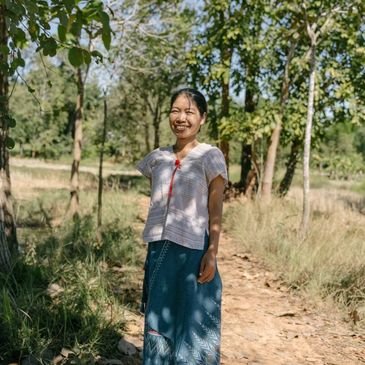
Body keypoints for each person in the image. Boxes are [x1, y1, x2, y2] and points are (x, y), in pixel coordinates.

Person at [136, 87, 227, 364]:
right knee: (159, 317)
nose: (181, 117)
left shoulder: (211, 157)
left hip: (192, 252)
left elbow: (215, 210)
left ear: (202, 118)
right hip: (159, 251)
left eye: (189, 112)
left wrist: (212, 252)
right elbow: (160, 202)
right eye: (175, 110)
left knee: (191, 317)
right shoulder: (157, 158)